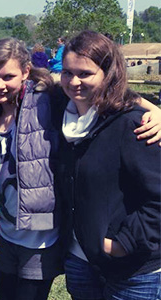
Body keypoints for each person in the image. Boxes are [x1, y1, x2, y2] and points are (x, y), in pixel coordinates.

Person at [56, 30, 161, 300]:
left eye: (85, 73)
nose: (74, 81)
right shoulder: (63, 117)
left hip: (133, 271)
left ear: (107, 73)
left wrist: (122, 244)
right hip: (81, 261)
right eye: (67, 72)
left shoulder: (132, 124)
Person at [0, 38, 63, 300]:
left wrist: (152, 111)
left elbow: (102, 97)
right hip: (1, 232)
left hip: (38, 237)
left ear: (26, 72)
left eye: (8, 76)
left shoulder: (48, 101)